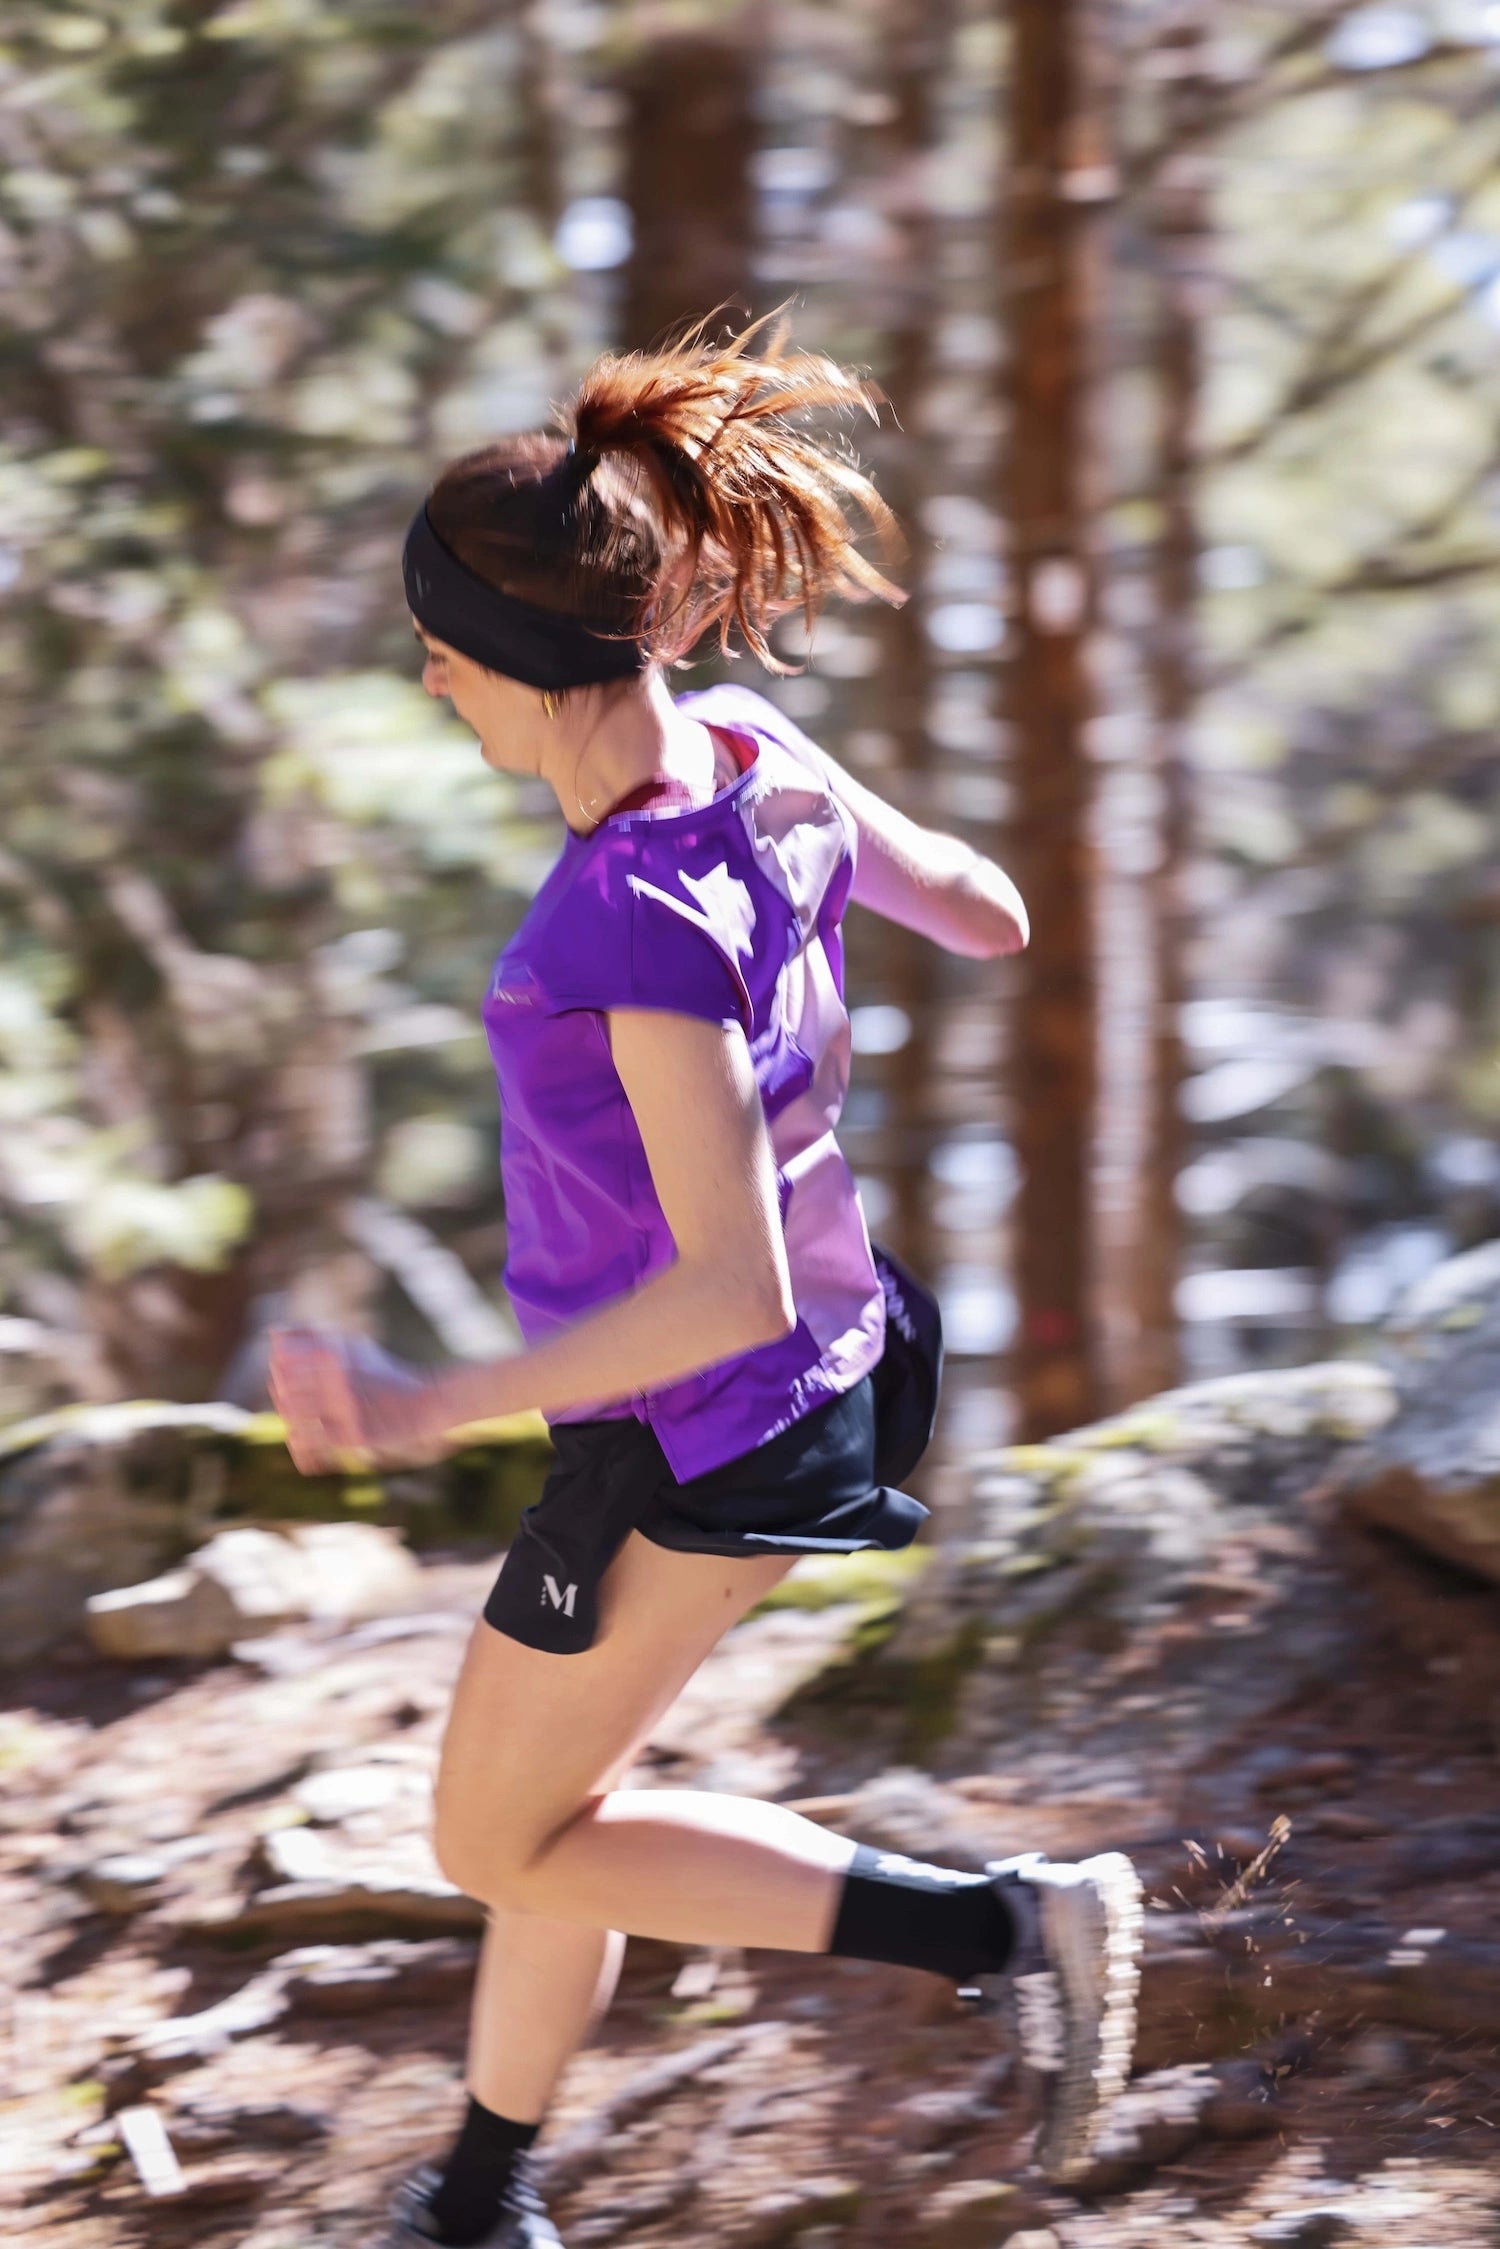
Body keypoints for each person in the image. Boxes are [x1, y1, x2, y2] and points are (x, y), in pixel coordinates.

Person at [267, 307, 1143, 2248]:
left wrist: (421, 1406)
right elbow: (990, 915)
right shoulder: (747, 750)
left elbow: (723, 1285)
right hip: (838, 1356)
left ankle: (1006, 1931)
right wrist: (829, 849)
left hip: (707, 1420)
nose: (430, 682)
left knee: (495, 1831)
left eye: (436, 651)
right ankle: (479, 2197)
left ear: (521, 654)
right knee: (560, 1820)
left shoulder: (625, 913)